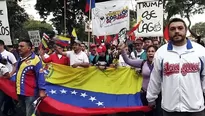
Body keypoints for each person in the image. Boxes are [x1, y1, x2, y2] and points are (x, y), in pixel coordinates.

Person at [146, 18, 205, 116]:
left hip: (195, 108)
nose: (176, 31)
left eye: (180, 28)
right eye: (173, 29)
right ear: (168, 32)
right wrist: (151, 98)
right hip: (170, 108)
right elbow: (155, 78)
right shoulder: (161, 53)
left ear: (186, 31)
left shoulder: (200, 51)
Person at [120, 44, 161, 116]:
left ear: (156, 53)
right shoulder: (142, 62)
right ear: (146, 53)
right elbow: (128, 61)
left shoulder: (161, 63)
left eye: (153, 51)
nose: (150, 53)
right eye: (148, 51)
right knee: (147, 113)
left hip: (158, 94)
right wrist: (122, 50)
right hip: (145, 93)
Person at [16, 40, 46, 116]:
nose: (19, 48)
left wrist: (42, 90)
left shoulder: (35, 59)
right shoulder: (20, 59)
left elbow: (40, 75)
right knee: (24, 112)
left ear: (29, 48)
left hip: (30, 93)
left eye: (22, 46)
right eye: (18, 46)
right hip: (20, 92)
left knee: (29, 113)